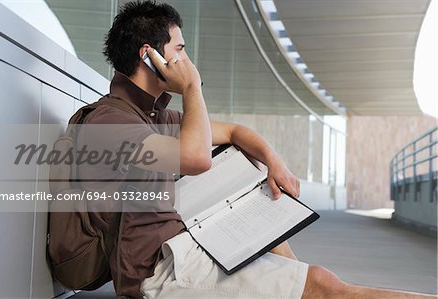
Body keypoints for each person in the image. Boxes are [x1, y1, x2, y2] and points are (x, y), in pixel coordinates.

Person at [79, 1, 436, 298]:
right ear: (149, 56)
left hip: (178, 246)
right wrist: (191, 88)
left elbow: (235, 131)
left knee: (301, 266)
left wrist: (274, 163)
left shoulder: (150, 116)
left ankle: (297, 281)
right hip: (157, 273)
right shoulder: (112, 122)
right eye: (180, 50)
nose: (187, 61)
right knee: (326, 286)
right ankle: (305, 285)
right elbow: (196, 158)